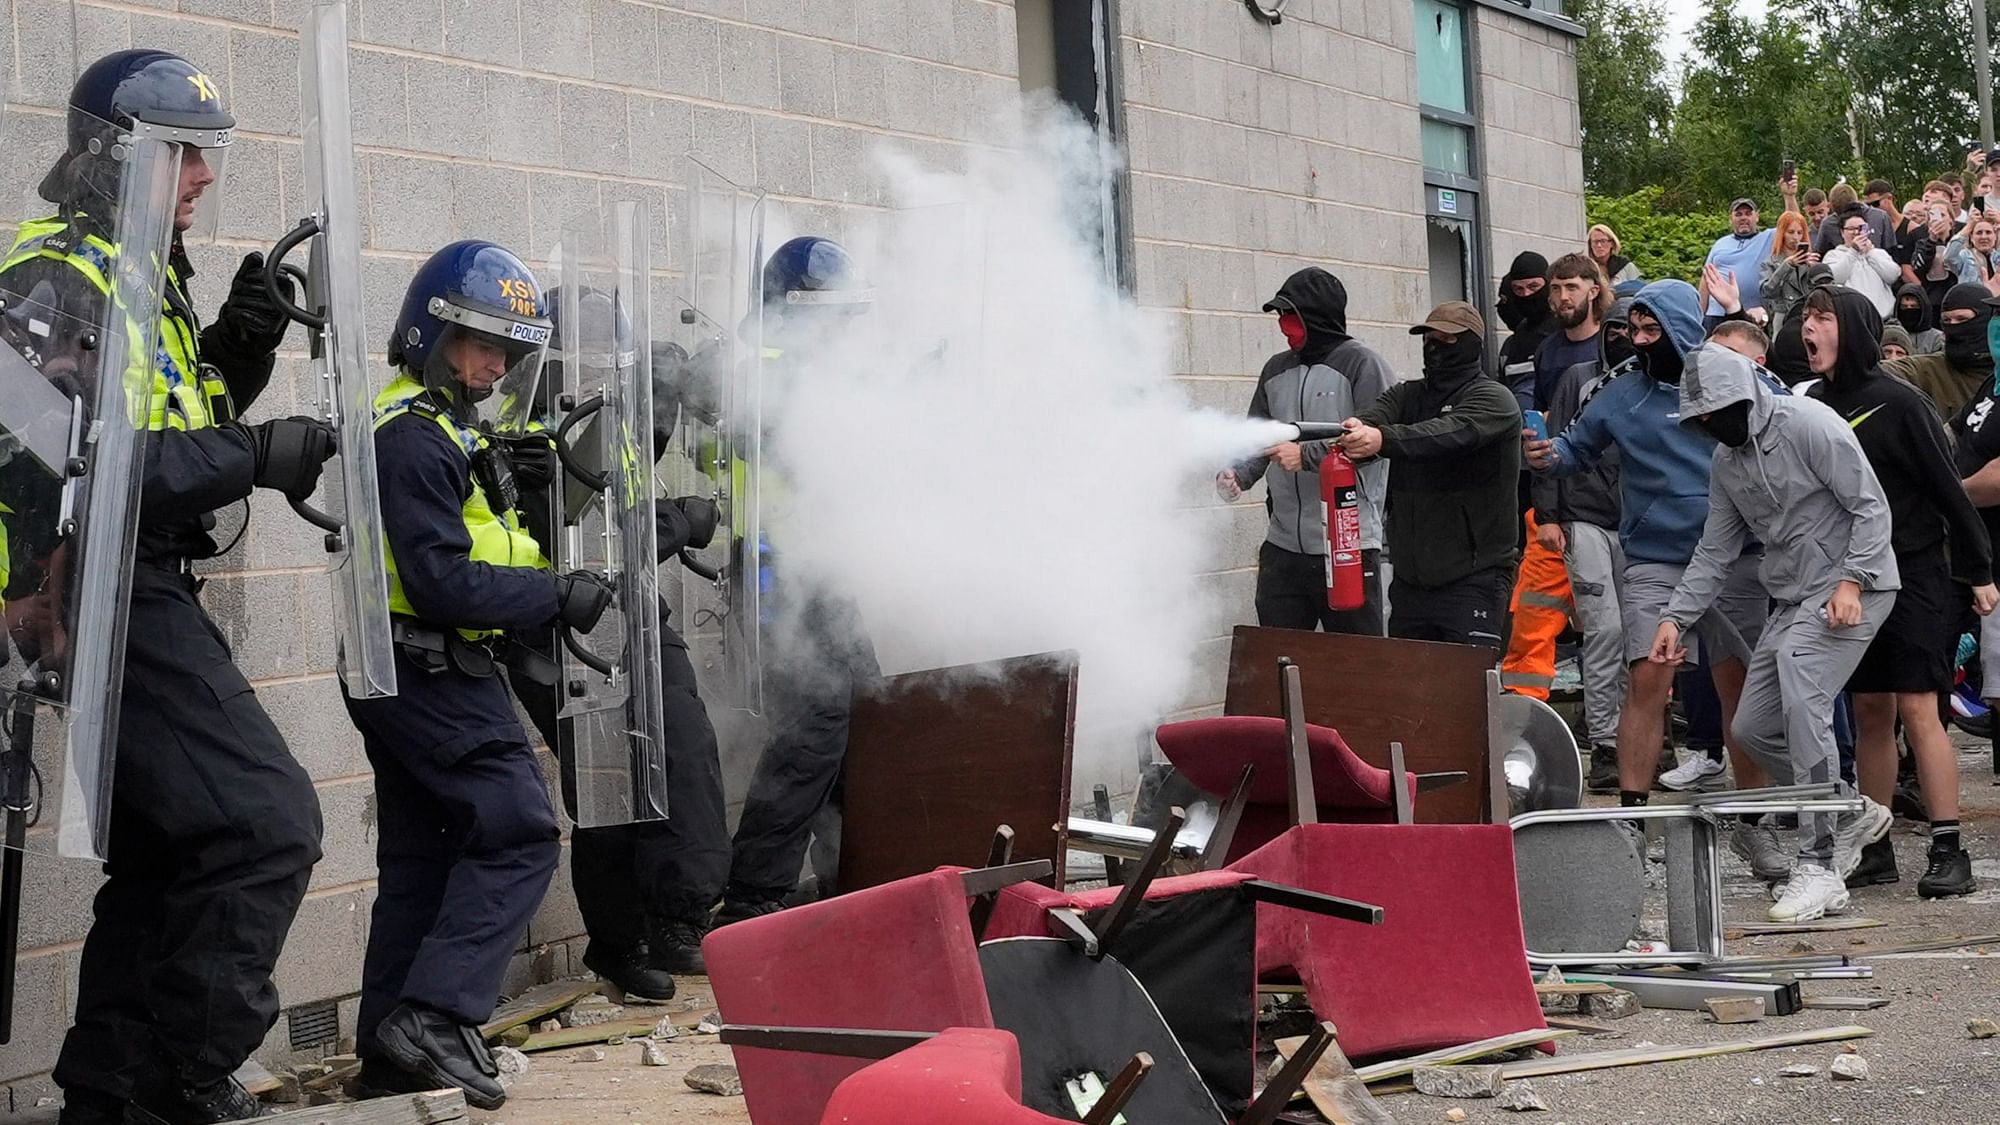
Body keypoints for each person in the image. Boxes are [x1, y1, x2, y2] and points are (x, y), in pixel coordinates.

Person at [14, 50, 333, 1125]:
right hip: (88, 594)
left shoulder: (141, 269)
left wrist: (238, 354)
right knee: (263, 823)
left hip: (139, 583)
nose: (203, 175)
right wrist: (258, 452)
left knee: (170, 853)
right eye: (182, 153)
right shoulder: (52, 281)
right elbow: (89, 473)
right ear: (115, 153)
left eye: (206, 154)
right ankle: (195, 1073)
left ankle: (111, 1095)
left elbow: (163, 429)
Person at [344, 242, 605, 1108]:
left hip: (407, 661)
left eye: (508, 349)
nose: (496, 363)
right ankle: (439, 1015)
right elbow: (441, 580)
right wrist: (556, 594)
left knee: (424, 856)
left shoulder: (443, 425)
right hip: (427, 661)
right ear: (431, 332)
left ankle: (390, 1049)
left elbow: (479, 546)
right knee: (521, 827)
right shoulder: (414, 437)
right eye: (479, 342)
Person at [498, 293, 732, 998]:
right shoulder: (531, 436)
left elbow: (617, 480)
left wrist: (664, 401)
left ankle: (666, 921)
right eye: (597, 360)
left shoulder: (602, 418)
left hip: (627, 612)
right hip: (563, 622)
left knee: (678, 752)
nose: (609, 373)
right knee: (606, 782)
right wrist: (678, 523)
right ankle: (625, 936)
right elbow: (579, 533)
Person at [1650, 343, 1900, 922]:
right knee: (1754, 727)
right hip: (1792, 597)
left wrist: (1853, 582)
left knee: (1802, 680)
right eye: (1700, 420)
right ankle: (1846, 808)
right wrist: (1674, 617)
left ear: (1745, 396)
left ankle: (1818, 864)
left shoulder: (1810, 424)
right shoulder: (1727, 462)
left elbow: (1871, 506)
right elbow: (1715, 549)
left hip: (1852, 586)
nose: (1710, 427)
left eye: (1716, 414)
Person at [1524, 281, 1772, 845]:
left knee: (1739, 684)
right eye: (1630, 330)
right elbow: (1573, 448)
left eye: (1650, 329)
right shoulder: (1617, 389)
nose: (1637, 341)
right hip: (1656, 557)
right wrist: (1544, 455)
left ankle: (1757, 818)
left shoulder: (1733, 376)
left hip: (1734, 556)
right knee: (1647, 677)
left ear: (1681, 327)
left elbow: (1781, 432)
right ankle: (1634, 818)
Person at [1803, 286, 1994, 898]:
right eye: (1804, 317)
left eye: (1822, 317)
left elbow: (1949, 490)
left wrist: (1980, 571)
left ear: (1854, 329)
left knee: (1919, 706)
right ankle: (1873, 844)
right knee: (1869, 710)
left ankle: (1947, 847)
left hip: (1916, 571)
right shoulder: (1812, 405)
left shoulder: (1899, 401)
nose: (1808, 328)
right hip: (1852, 579)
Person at [717, 236, 883, 924]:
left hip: (815, 567)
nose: (844, 329)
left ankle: (853, 870)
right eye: (831, 314)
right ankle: (754, 893)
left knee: (866, 715)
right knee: (814, 724)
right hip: (778, 571)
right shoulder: (766, 371)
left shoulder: (797, 368)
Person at [1332, 301, 1520, 646]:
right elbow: (1376, 416)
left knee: (1469, 691)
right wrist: (1360, 428)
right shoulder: (1407, 395)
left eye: (1447, 340)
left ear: (1472, 343)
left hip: (1475, 579)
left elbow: (1447, 434)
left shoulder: (1494, 399)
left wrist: (1380, 438)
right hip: (1410, 583)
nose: (1434, 346)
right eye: (1428, 338)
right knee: (1414, 694)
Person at [1221, 267, 1392, 634]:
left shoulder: (1363, 365)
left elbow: (1376, 440)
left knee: (1355, 666)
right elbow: (1258, 435)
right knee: (1280, 660)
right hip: (1283, 547)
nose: (1284, 325)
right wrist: (1239, 472)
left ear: (1316, 317)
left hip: (1348, 545)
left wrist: (1307, 457)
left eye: (1291, 315)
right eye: (1281, 316)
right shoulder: (1275, 369)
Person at [1532, 296, 1636, 788]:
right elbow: (1550, 446)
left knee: (1641, 637)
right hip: (1584, 516)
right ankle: (1608, 744)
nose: (1621, 337)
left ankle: (1642, 740)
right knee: (1603, 631)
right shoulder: (1577, 380)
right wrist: (1549, 514)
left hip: (1640, 524)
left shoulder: (1654, 384)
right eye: (1614, 329)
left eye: (1630, 330)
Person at [1501, 255, 1606, 698]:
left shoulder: (1610, 345)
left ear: (1594, 290)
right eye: (1558, 289)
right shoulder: (1546, 349)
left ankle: (1605, 723)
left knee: (1602, 624)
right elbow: (1542, 427)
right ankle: (1526, 717)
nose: (1563, 298)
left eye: (1573, 288)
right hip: (1550, 498)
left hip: (1603, 501)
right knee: (1533, 614)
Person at [1882, 283, 1996, 417]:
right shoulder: (1930, 369)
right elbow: (1878, 370)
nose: (1953, 327)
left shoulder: (1995, 374)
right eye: (1946, 320)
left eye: (1962, 319)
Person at [1698, 199, 1777, 329]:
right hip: (1715, 315)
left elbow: (1793, 222)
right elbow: (1706, 280)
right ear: (1731, 219)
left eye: (1748, 213)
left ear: (1757, 217)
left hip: (1749, 315)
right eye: (1738, 214)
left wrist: (1789, 196)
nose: (1743, 218)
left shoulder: (1768, 238)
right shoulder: (1720, 243)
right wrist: (1699, 315)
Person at [1497, 251, 1557, 408]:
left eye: (1533, 286)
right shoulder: (1512, 344)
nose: (1526, 295)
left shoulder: (1566, 330)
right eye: (1518, 289)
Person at [1823, 212, 1900, 318]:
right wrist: (1853, 251)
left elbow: (1893, 275)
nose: (1856, 232)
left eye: (1861, 228)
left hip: (1885, 320)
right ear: (1842, 232)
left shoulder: (1879, 253)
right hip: (1853, 319)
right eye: (1851, 229)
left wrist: (1870, 253)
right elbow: (1835, 278)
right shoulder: (1833, 255)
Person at [1758, 211, 1818, 333]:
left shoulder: (1809, 261)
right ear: (1782, 233)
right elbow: (1767, 291)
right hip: (1782, 316)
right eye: (1790, 232)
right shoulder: (1770, 262)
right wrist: (1787, 266)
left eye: (1799, 233)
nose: (1795, 237)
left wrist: (1815, 270)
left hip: (1807, 316)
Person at [1811, 182, 1896, 257]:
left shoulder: (1880, 217)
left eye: (1850, 212)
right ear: (1831, 208)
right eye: (1841, 215)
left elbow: (1892, 252)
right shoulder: (1828, 223)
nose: (1846, 218)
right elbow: (1819, 256)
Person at [1946, 213, 2000, 293]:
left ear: (1995, 236)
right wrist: (1968, 227)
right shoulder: (1964, 256)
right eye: (1979, 233)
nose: (1984, 237)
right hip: (1972, 302)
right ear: (1971, 237)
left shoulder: (1997, 256)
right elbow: (1949, 257)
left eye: (1988, 232)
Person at [1891, 282, 1945, 354]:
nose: (1909, 310)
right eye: (1904, 307)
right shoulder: (1890, 335)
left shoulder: (1937, 338)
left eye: (1914, 306)